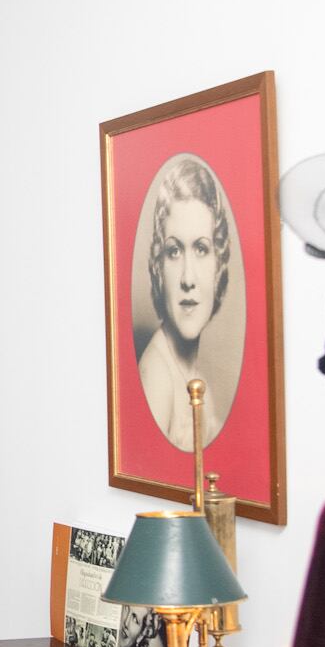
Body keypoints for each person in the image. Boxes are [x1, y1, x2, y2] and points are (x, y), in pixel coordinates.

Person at [136, 157, 233, 450]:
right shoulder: (157, 377)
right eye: (174, 251)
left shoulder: (194, 375)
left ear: (219, 265)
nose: (188, 278)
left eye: (202, 249)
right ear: (158, 266)